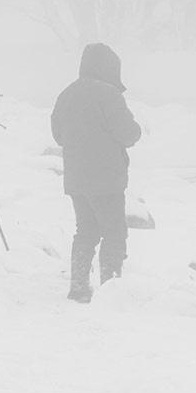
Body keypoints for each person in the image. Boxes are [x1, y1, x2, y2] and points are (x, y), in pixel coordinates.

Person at [51, 43, 143, 303]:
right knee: (114, 233)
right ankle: (111, 292)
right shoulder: (109, 94)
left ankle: (79, 287)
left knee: (86, 231)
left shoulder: (66, 94)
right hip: (106, 180)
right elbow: (129, 134)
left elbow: (57, 134)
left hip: (77, 180)